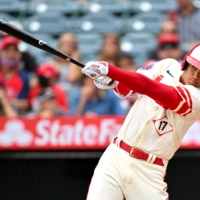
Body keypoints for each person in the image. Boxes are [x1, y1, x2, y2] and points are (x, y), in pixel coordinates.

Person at [81, 44, 200, 199]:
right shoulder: (168, 65)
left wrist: (111, 71)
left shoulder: (197, 98)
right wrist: (114, 83)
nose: (196, 75)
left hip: (148, 171)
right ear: (186, 62)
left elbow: (149, 87)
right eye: (194, 67)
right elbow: (130, 88)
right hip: (116, 156)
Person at [0, 36, 30, 115]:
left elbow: (24, 104)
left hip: (16, 114)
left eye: (15, 50)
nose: (11, 54)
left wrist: (4, 99)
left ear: (19, 54)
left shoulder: (24, 76)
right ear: (1, 52)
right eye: (8, 50)